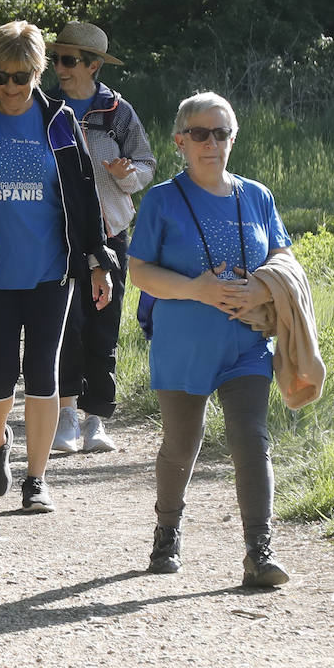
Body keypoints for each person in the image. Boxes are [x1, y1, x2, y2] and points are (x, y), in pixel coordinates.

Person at [0, 21, 115, 513]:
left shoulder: (59, 122)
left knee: (42, 372)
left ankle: (36, 478)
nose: (9, 87)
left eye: (20, 77)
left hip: (52, 269)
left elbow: (83, 195)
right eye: (0, 76)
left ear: (38, 73)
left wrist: (97, 261)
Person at [127, 91, 293, 587]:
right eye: (200, 133)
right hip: (184, 345)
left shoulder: (256, 196)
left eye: (221, 133)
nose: (211, 142)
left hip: (246, 344)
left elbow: (283, 258)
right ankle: (167, 530)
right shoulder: (161, 199)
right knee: (182, 443)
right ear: (180, 140)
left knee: (252, 440)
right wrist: (197, 289)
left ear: (233, 138)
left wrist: (260, 288)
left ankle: (258, 552)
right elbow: (139, 271)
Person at [46, 21, 156, 454]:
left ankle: (97, 421)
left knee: (103, 327)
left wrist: (129, 175)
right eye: (56, 59)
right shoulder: (44, 107)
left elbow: (146, 164)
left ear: (93, 66)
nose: (60, 67)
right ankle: (65, 416)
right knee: (65, 327)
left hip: (111, 233)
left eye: (69, 60)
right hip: (58, 236)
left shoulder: (119, 113)